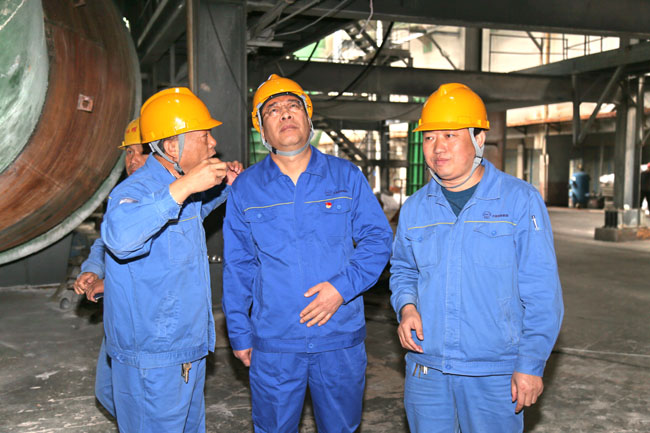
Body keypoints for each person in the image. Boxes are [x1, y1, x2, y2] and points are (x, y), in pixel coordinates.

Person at [222, 74, 393, 432]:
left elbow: (378, 239)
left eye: (293, 106)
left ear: (308, 118)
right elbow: (239, 265)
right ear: (261, 129)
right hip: (275, 343)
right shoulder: (246, 189)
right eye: (272, 110)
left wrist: (341, 288)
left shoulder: (345, 177)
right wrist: (239, 331)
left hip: (338, 338)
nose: (285, 114)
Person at [390, 83, 564, 433]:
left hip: (495, 373)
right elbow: (404, 269)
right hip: (428, 369)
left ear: (479, 138)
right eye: (429, 137)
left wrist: (530, 364)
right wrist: (407, 307)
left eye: (450, 135)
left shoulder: (519, 201)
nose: (438, 147)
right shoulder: (415, 208)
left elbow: (542, 292)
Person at [101, 87, 242, 433]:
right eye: (204, 135)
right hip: (153, 359)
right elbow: (119, 238)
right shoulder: (135, 190)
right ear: (172, 147)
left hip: (185, 350)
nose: (213, 143)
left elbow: (190, 215)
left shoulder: (180, 188)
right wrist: (185, 187)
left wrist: (226, 186)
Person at [73, 118, 149, 417]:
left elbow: (159, 263)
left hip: (151, 320)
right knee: (107, 391)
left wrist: (113, 281)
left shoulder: (170, 198)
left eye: (141, 152)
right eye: (129, 153)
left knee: (144, 400)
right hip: (121, 316)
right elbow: (104, 243)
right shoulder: (123, 195)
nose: (133, 160)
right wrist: (93, 270)